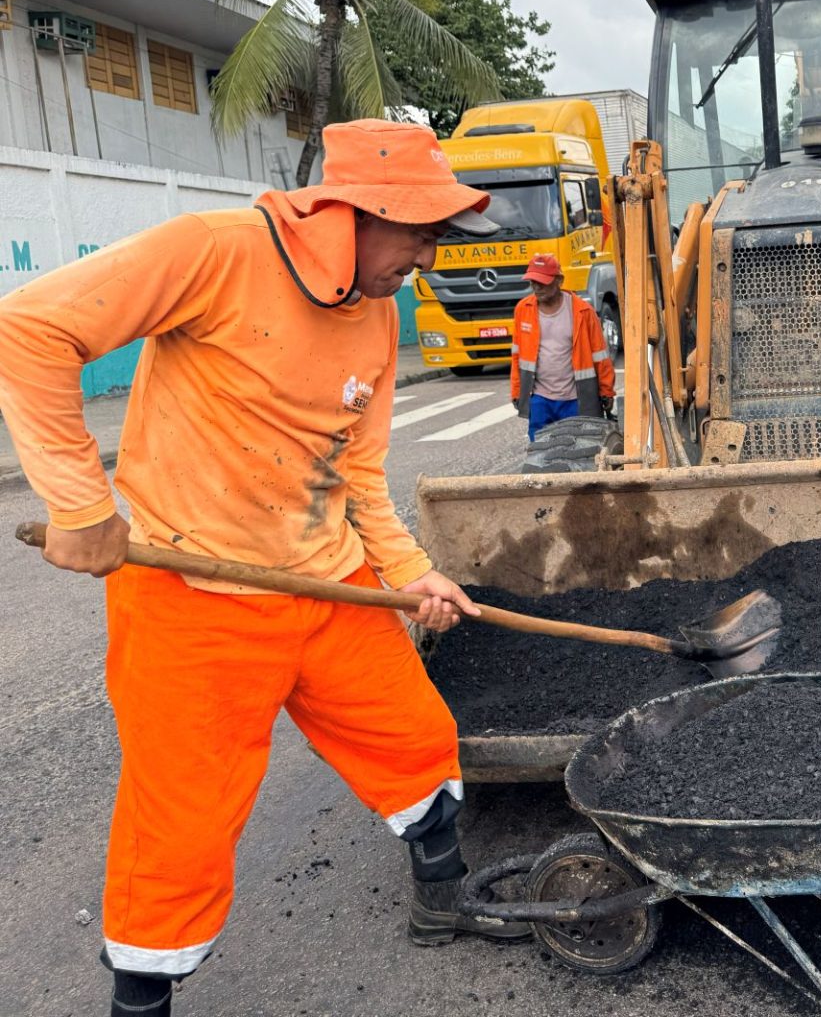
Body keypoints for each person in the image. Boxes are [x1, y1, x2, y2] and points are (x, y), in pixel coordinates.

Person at [0, 120, 530, 1017]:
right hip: (190, 596)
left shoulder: (373, 316)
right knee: (182, 823)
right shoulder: (214, 251)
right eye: (420, 235)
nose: (428, 261)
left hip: (329, 583)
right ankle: (141, 1004)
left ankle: (443, 903)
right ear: (353, 212)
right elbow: (29, 329)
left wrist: (410, 573)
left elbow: (357, 471)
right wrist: (82, 507)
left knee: (415, 741)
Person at [510, 253, 616, 441]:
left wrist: (606, 391)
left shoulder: (583, 312)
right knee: (539, 448)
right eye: (533, 282)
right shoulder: (523, 310)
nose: (537, 287)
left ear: (559, 280)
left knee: (581, 447)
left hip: (576, 399)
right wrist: (517, 391)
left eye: (542, 282)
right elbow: (517, 356)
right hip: (541, 399)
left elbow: (600, 355)